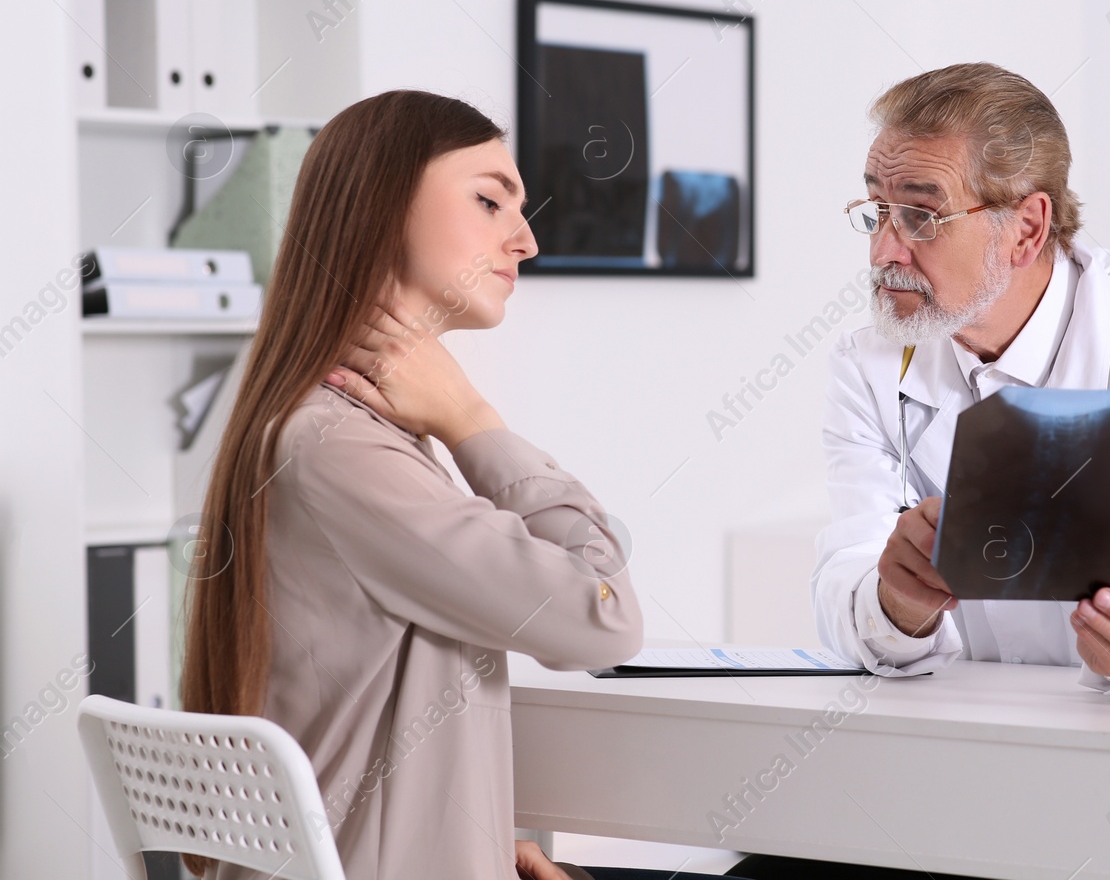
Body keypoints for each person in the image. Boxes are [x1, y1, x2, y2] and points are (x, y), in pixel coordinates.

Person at [729, 63, 1110, 880]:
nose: (884, 249)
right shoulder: (869, 361)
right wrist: (894, 601)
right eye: (876, 210)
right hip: (988, 767)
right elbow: (846, 587)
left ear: (1025, 226)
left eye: (920, 213)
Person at [179, 90, 727, 880]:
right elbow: (602, 618)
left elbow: (358, 705)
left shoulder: (326, 426)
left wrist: (469, 845)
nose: (526, 240)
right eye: (488, 199)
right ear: (381, 203)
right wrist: (472, 417)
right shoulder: (343, 450)